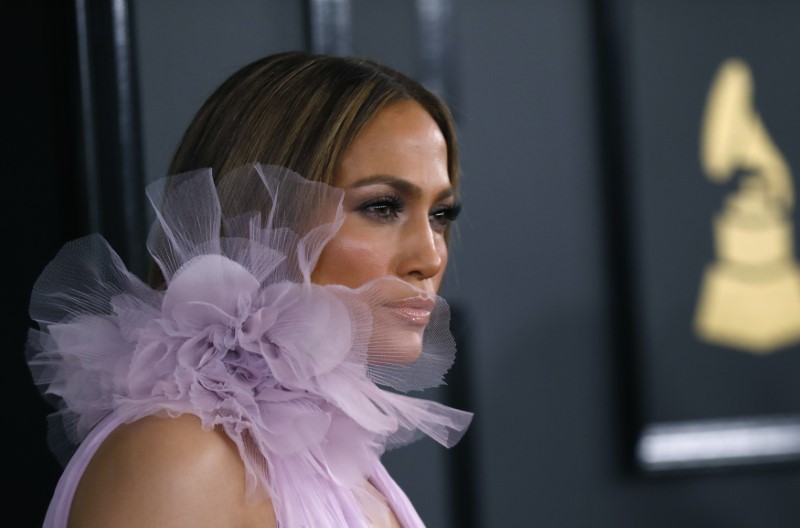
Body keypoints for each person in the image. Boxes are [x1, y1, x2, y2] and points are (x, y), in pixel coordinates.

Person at [26, 51, 473, 528]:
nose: (430, 257)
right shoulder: (181, 454)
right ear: (265, 209)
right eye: (383, 207)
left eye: (441, 214)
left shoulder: (327, 448)